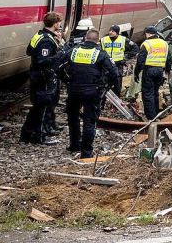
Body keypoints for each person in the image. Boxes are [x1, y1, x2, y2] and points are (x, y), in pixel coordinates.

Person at [63, 29, 117, 158]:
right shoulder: (100, 54)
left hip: (74, 90)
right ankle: (86, 153)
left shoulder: (73, 51)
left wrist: (66, 80)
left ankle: (74, 144)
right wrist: (105, 85)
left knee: (73, 118)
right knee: (89, 121)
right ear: (97, 41)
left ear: (85, 38)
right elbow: (114, 73)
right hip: (92, 91)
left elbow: (58, 66)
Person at [20, 12, 65, 145]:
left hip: (36, 75)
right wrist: (59, 55)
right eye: (59, 23)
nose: (60, 25)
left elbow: (29, 51)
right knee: (43, 107)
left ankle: (27, 134)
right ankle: (40, 136)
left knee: (37, 107)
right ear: (55, 23)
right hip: (44, 77)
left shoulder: (38, 35)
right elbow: (42, 60)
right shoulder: (47, 40)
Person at [134, 26, 171, 120]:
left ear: (149, 34)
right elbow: (168, 58)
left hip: (149, 71)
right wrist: (167, 70)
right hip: (160, 71)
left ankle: (151, 117)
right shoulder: (164, 43)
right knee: (155, 92)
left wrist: (137, 72)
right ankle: (156, 112)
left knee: (147, 93)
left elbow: (140, 60)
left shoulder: (147, 44)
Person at [100, 25, 136, 97]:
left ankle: (116, 98)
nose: (110, 32)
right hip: (106, 65)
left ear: (117, 32)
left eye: (112, 31)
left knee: (117, 83)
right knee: (104, 82)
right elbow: (99, 50)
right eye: (110, 30)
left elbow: (135, 48)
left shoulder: (124, 39)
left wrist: (125, 58)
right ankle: (103, 99)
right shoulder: (103, 39)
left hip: (118, 65)